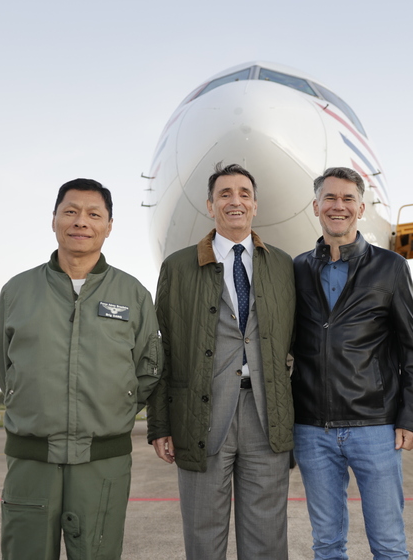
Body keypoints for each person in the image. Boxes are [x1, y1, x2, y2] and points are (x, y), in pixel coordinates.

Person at [0, 179, 162, 560]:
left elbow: (148, 370)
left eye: (93, 214)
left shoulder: (133, 294)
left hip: (103, 459)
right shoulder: (16, 291)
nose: (80, 222)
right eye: (70, 211)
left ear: (109, 226)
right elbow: (4, 366)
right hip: (32, 458)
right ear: (54, 220)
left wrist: (115, 409)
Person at [146, 163, 296, 559]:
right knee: (203, 535)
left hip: (267, 417)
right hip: (202, 415)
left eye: (244, 193)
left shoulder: (282, 265)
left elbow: (295, 343)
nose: (235, 201)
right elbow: (164, 349)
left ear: (255, 205)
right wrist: (160, 423)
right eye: (225, 194)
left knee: (268, 537)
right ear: (210, 205)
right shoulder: (178, 267)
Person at [291, 167, 413, 559]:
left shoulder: (390, 267)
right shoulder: (296, 269)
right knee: (327, 544)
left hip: (376, 427)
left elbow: (412, 350)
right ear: (316, 206)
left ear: (361, 207)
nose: (339, 206)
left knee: (388, 544)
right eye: (330, 199)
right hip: (312, 429)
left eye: (348, 199)